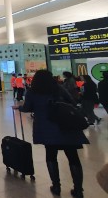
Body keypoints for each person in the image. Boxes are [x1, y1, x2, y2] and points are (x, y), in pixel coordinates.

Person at [17, 70, 89, 198]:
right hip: (66, 126)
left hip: (47, 127)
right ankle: (78, 190)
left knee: (51, 155)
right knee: (73, 157)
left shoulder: (33, 92)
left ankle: (56, 186)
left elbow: (27, 107)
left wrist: (20, 107)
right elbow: (72, 102)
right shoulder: (58, 89)